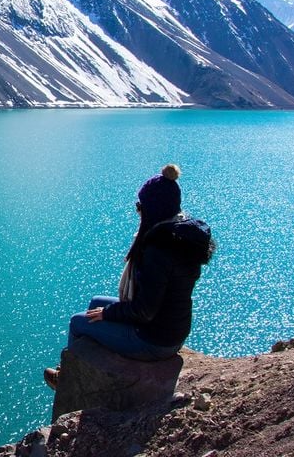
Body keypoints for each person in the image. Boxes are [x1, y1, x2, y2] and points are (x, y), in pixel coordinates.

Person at [44, 164, 210, 389]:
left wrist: (108, 314)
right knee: (95, 302)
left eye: (140, 206)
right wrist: (106, 312)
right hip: (172, 329)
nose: (138, 211)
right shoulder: (179, 238)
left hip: (154, 340)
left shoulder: (159, 250)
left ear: (154, 209)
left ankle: (66, 380)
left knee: (78, 322)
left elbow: (144, 311)